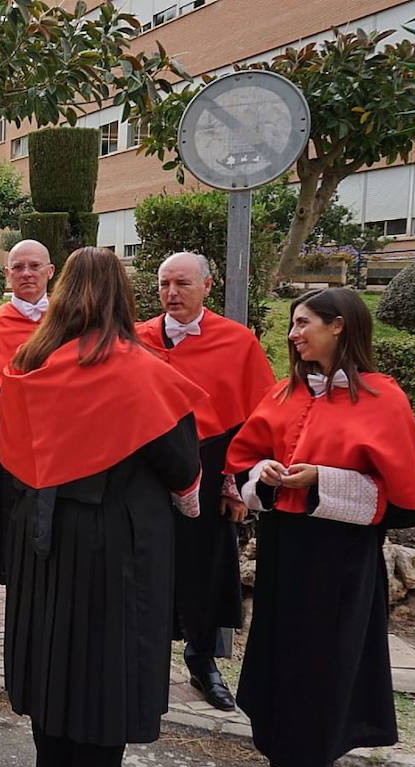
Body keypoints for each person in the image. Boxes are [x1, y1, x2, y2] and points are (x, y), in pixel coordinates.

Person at [0, 247, 206, 767]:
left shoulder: (31, 358)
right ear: (123, 296)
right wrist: (190, 503)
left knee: (52, 657)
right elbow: (180, 463)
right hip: (115, 539)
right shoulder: (136, 368)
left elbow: (12, 449)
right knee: (104, 667)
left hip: (42, 532)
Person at [227, 288, 415, 767]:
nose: (293, 335)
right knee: (281, 647)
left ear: (338, 325)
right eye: (293, 324)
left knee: (331, 655)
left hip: (342, 553)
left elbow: (400, 497)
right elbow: (243, 466)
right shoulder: (281, 394)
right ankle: (280, 751)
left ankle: (317, 761)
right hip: (286, 547)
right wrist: (266, 475)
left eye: (303, 324)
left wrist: (321, 479)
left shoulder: (385, 398)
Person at [135, 252, 276, 712]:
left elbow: (258, 419)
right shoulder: (137, 339)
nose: (172, 294)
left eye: (183, 284)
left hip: (213, 463)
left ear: (208, 286)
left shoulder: (237, 342)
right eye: (164, 285)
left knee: (207, 568)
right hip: (151, 469)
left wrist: (236, 482)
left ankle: (203, 663)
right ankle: (144, 661)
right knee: (146, 565)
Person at [0, 239, 54, 588]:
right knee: (14, 522)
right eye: (18, 267)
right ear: (7, 274)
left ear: (50, 271)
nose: (27, 274)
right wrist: (12, 420)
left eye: (34, 266)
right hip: (12, 443)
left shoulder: (68, 319)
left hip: (63, 444)